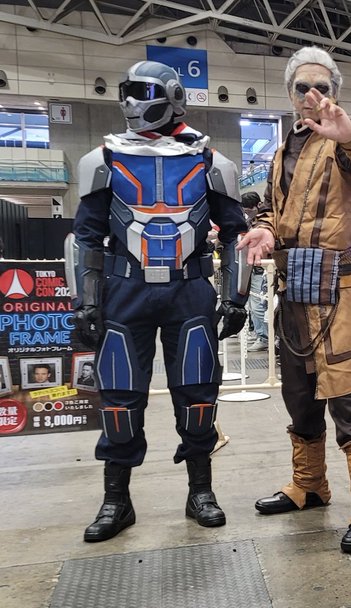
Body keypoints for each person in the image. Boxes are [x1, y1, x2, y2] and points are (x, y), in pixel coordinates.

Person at [70, 60, 248, 543]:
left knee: (198, 394)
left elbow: (234, 234)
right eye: (126, 90)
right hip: (125, 290)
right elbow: (85, 236)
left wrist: (235, 296)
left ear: (172, 96)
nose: (132, 101)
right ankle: (116, 500)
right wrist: (85, 302)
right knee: (120, 398)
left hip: (189, 289)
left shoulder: (209, 161)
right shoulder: (104, 158)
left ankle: (200, 492)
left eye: (143, 91)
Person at [241, 47, 351, 554]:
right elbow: (272, 208)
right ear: (290, 94)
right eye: (302, 87)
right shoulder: (281, 149)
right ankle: (309, 485)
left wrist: (347, 136)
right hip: (294, 293)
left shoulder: (348, 137)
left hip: (343, 293)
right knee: (299, 396)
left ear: (334, 93)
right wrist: (265, 232)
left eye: (322, 87)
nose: (312, 95)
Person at [240, 192, 269, 352]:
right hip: (254, 267)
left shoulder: (265, 221)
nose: (248, 214)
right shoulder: (250, 221)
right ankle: (261, 334)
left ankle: (264, 337)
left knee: (258, 306)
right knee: (254, 305)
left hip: (264, 268)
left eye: (249, 210)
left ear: (258, 205)